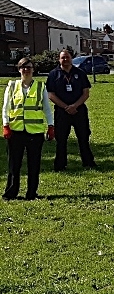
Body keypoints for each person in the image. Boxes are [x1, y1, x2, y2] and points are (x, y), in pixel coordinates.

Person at [2, 58, 54, 200]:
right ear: (19, 70)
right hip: (16, 131)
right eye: (23, 67)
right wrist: (6, 125)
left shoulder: (40, 87)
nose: (26, 70)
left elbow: (47, 109)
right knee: (14, 164)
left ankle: (31, 193)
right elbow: (5, 108)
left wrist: (51, 126)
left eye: (29, 67)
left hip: (35, 132)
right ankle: (11, 193)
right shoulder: (12, 86)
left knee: (34, 164)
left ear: (33, 70)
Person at [46, 49, 97, 171]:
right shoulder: (53, 74)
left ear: (71, 58)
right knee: (61, 140)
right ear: (59, 60)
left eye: (67, 57)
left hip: (79, 111)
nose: (65, 60)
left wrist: (75, 106)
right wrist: (66, 107)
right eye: (62, 58)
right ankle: (60, 165)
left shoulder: (80, 73)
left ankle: (88, 162)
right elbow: (51, 95)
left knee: (83, 138)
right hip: (62, 112)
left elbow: (86, 93)